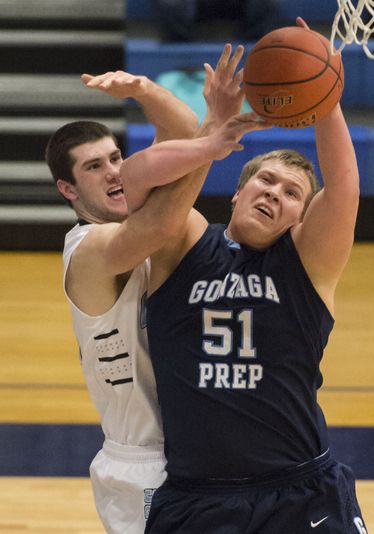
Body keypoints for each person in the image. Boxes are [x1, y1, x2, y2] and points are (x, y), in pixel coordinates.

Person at [120, 19, 369, 534]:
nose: (276, 192)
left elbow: (343, 187)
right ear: (237, 192)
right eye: (266, 180)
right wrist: (212, 132)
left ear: (302, 218)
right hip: (197, 499)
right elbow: (136, 179)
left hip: (301, 490)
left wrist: (328, 96)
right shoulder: (183, 241)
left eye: (293, 192)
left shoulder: (306, 265)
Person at [45, 44, 266, 534]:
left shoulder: (134, 218)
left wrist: (142, 88)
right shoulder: (87, 252)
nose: (115, 174)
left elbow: (182, 138)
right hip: (142, 465)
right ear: (68, 190)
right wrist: (213, 141)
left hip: (198, 451)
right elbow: (158, 227)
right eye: (93, 168)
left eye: (116, 158)